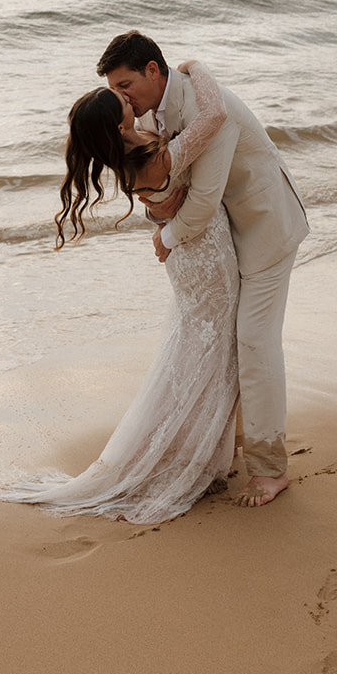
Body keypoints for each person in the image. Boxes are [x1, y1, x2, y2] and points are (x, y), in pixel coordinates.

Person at [0, 60, 240, 524]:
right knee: (210, 353)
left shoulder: (132, 155)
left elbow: (162, 198)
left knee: (195, 351)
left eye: (125, 92)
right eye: (122, 101)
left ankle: (200, 451)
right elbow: (213, 118)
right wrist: (194, 68)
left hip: (190, 259)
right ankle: (196, 458)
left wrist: (160, 213)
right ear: (118, 122)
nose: (130, 99)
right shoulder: (150, 157)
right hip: (205, 259)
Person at [98, 31, 308, 509]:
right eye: (115, 88)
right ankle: (226, 445)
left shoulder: (205, 110)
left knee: (254, 339)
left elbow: (202, 200)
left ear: (153, 70)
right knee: (231, 341)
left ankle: (270, 468)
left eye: (125, 83)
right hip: (227, 235)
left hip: (265, 225)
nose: (121, 97)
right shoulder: (151, 111)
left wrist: (165, 239)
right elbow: (167, 189)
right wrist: (158, 214)